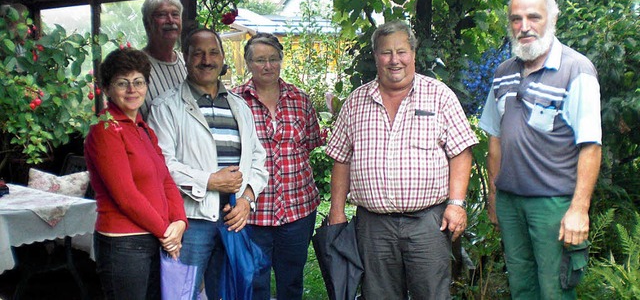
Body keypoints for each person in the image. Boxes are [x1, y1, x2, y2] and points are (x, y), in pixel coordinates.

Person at [326, 20, 478, 299]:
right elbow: (341, 159)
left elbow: (460, 151)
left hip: (429, 223)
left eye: (402, 51)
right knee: (378, 295)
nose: (394, 60)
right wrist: (336, 211)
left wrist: (456, 204)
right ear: (375, 57)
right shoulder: (356, 102)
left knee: (432, 294)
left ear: (414, 54)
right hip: (373, 226)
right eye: (386, 52)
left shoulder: (439, 96)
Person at [479, 0, 602, 299]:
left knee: (555, 290)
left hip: (554, 205)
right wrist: (494, 196)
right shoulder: (503, 73)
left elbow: (591, 146)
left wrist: (579, 209)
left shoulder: (576, 70)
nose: (524, 26)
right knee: (521, 287)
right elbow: (495, 139)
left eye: (533, 17)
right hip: (510, 202)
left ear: (552, 19)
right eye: (516, 19)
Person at [148, 28, 269, 300]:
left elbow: (258, 160)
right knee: (180, 293)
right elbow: (161, 165)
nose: (206, 60)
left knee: (229, 293)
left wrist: (247, 200)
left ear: (223, 57)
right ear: (186, 58)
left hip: (232, 218)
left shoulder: (239, 106)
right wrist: (210, 181)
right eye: (198, 53)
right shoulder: (166, 107)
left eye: (213, 52)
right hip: (190, 221)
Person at [84, 48, 188, 300]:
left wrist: (180, 222)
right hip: (124, 244)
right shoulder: (105, 130)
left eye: (138, 81)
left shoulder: (144, 130)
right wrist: (166, 232)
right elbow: (126, 195)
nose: (132, 89)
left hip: (154, 237)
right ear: (107, 89)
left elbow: (166, 181)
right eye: (123, 83)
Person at [232, 32, 323, 300]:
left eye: (273, 59)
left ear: (281, 60)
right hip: (252, 211)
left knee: (292, 279)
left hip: (297, 208)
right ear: (248, 63)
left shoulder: (300, 99)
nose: (268, 66)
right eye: (260, 60)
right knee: (254, 280)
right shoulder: (234, 101)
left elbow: (309, 143)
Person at [139, 0, 188, 119]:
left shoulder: (187, 62)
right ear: (147, 23)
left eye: (175, 14)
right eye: (162, 15)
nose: (170, 20)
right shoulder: (135, 65)